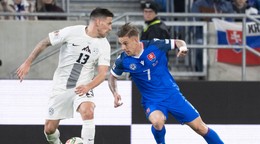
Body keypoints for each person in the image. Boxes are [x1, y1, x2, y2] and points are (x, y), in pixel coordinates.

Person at [108, 23, 224, 144]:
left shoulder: (155, 45)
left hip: (173, 95)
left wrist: (183, 48)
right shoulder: (123, 60)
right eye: (121, 43)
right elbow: (112, 77)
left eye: (125, 43)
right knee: (157, 122)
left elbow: (179, 42)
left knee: (201, 128)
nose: (122, 47)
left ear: (135, 40)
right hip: (152, 101)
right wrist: (115, 93)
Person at [16, 7, 114, 144]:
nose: (110, 28)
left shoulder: (104, 45)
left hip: (82, 86)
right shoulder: (72, 32)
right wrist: (27, 63)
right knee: (49, 129)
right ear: (98, 22)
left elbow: (102, 73)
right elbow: (44, 42)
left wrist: (88, 86)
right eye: (109, 23)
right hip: (61, 87)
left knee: (88, 110)